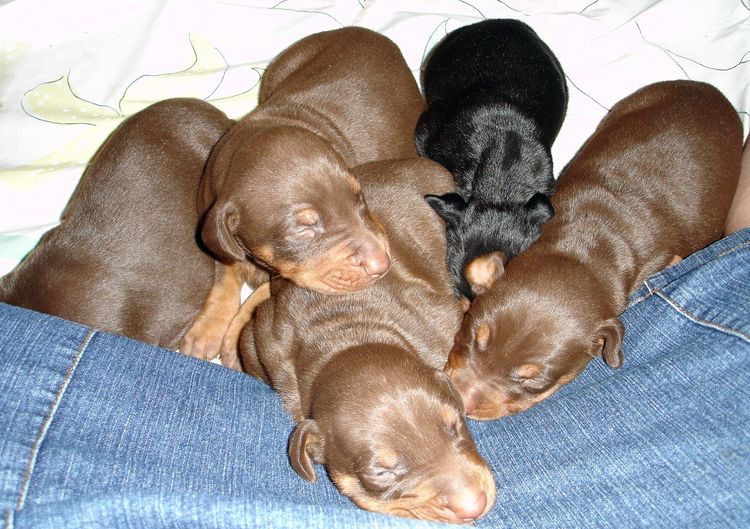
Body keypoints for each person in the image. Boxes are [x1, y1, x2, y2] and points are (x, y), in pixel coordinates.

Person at [1, 134, 748, 528]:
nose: (467, 501)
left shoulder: (427, 328)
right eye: (391, 472)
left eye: (455, 425)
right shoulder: (268, 346)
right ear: (307, 447)